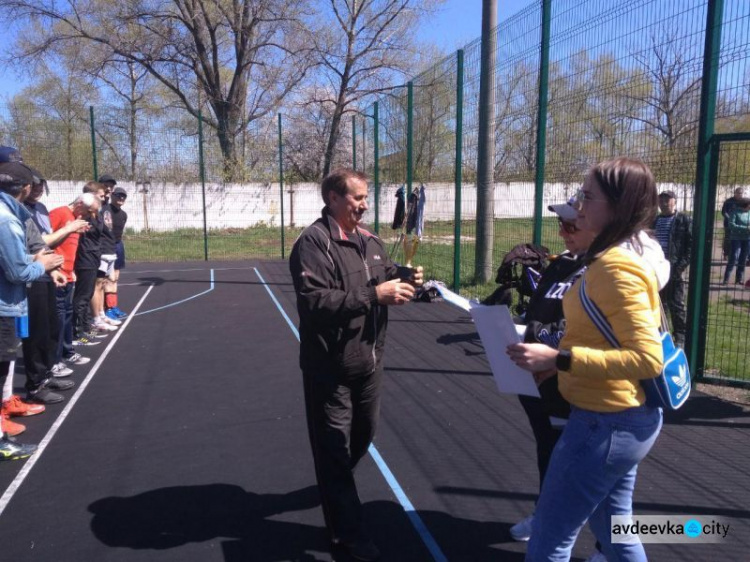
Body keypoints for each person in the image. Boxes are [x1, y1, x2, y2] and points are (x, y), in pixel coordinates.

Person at [507, 157, 668, 562]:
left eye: (588, 196)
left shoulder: (617, 270)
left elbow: (647, 359)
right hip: (612, 418)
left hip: (606, 423)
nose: (578, 205)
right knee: (614, 529)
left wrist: (559, 358)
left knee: (548, 539)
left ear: (618, 206)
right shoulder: (601, 261)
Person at [289, 168, 423, 562]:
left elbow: (381, 278)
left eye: (366, 198)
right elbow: (315, 303)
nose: (365, 205)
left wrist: (404, 278)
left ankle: (334, 487)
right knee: (333, 449)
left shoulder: (371, 241)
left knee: (363, 435)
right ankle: (348, 533)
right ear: (333, 198)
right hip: (329, 367)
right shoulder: (314, 243)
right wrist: (373, 294)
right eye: (358, 198)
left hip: (370, 362)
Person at [509, 197, 595, 543]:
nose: (562, 232)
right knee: (549, 449)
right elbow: (541, 314)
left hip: (576, 380)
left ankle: (607, 544)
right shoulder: (559, 265)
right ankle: (545, 512)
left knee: (593, 470)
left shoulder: (605, 271)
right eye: (560, 224)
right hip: (538, 379)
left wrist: (557, 359)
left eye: (571, 225)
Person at [0, 161, 62, 459]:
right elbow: (17, 271)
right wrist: (44, 265)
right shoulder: (6, 221)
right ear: (25, 189)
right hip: (4, 305)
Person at [21, 167, 79, 406]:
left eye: (40, 185)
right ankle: (34, 385)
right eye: (32, 185)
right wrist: (67, 229)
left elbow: (42, 242)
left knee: (50, 327)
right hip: (30, 275)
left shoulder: (41, 209)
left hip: (45, 271)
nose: (36, 189)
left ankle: (46, 373)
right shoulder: (18, 210)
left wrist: (53, 268)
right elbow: (39, 243)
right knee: (34, 333)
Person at [50, 193, 99, 366]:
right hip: (57, 276)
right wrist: (54, 268)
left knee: (67, 317)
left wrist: (72, 271)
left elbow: (70, 248)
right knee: (58, 320)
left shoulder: (76, 220)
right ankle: (54, 360)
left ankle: (67, 351)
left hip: (69, 275)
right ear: (79, 204)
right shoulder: (60, 214)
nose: (89, 216)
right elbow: (44, 241)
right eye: (88, 212)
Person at [652, 191, 691, 346]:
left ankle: (680, 337)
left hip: (674, 269)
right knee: (659, 304)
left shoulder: (683, 220)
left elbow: (690, 246)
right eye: (661, 200)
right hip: (656, 270)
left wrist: (680, 267)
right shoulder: (654, 221)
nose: (663, 202)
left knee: (677, 305)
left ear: (675, 201)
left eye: (667, 199)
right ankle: (662, 335)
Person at [73, 182, 108, 344]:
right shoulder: (82, 216)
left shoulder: (95, 214)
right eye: (100, 196)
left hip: (94, 257)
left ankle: (86, 328)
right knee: (82, 297)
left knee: (86, 296)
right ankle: (77, 333)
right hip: (85, 258)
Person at [105, 185, 128, 319]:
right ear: (112, 196)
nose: (121, 198)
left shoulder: (124, 215)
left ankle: (113, 306)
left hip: (118, 245)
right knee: (109, 278)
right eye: (118, 195)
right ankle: (108, 308)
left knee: (116, 277)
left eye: (123, 196)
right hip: (108, 246)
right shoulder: (106, 211)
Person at [722, 197, 750, 285]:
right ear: (746, 205)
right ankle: (726, 278)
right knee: (734, 257)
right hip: (736, 238)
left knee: (743, 258)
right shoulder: (735, 212)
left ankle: (739, 279)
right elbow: (731, 225)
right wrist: (745, 228)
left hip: (747, 238)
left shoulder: (749, 213)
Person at [721, 187, 745, 259]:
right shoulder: (728, 201)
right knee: (728, 239)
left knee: (740, 239)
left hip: (740, 224)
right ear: (735, 193)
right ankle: (726, 254)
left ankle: (738, 255)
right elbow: (724, 212)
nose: (739, 195)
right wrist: (730, 219)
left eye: (741, 193)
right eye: (738, 193)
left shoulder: (744, 202)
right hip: (729, 224)